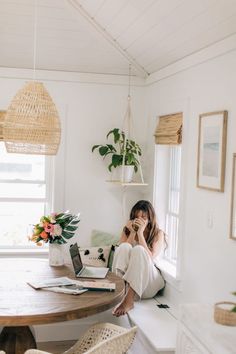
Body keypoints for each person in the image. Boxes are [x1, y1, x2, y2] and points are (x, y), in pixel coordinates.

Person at [112, 200, 166, 317]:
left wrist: (140, 234)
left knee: (139, 250)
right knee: (124, 246)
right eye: (136, 217)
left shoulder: (158, 234)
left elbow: (150, 258)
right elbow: (123, 253)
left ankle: (129, 300)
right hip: (128, 284)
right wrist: (132, 232)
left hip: (148, 283)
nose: (139, 220)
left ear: (150, 218)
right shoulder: (127, 230)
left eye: (143, 217)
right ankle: (121, 293)